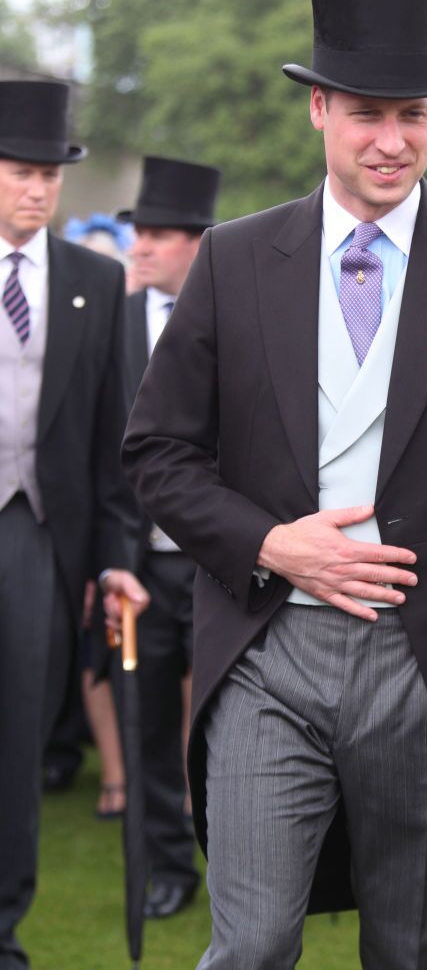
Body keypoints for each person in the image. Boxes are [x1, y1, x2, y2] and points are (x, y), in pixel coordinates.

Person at [121, 0, 427, 969]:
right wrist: (268, 543)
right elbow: (155, 453)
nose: (392, 140)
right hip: (263, 656)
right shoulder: (235, 260)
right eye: (367, 114)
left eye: (412, 115)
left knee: (419, 948)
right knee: (246, 944)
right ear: (319, 109)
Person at [0, 79, 147, 970]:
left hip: (39, 535)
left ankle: (2, 928)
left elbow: (117, 441)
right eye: (20, 171)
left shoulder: (98, 281)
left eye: (50, 176)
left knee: (18, 739)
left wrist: (115, 559)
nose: (36, 190)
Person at [114, 155, 221, 918]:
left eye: (158, 235)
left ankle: (244, 860)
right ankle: (168, 867)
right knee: (151, 721)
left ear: (196, 242)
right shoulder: (112, 322)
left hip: (224, 563)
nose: (141, 247)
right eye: (137, 233)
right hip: (140, 563)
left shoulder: (237, 312)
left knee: (228, 723)